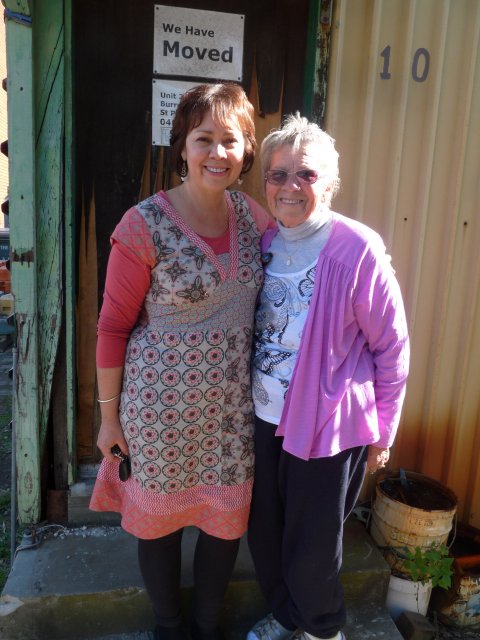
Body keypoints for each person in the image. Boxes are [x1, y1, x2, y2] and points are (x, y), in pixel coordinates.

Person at [90, 83, 273, 640]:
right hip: (159, 414)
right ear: (183, 148)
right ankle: (170, 629)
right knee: (159, 529)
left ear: (246, 151)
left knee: (225, 527)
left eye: (231, 140)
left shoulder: (256, 219)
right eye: (203, 139)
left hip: (232, 417)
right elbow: (113, 327)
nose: (217, 152)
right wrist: (108, 417)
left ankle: (206, 627)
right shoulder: (143, 225)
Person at [246, 114, 410, 640]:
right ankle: (288, 616)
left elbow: (392, 346)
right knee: (266, 535)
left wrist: (384, 433)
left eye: (306, 175)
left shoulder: (356, 249)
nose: (290, 186)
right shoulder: (264, 241)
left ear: (330, 184)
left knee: (312, 547)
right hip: (263, 417)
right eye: (277, 174)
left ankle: (322, 629)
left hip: (328, 428)